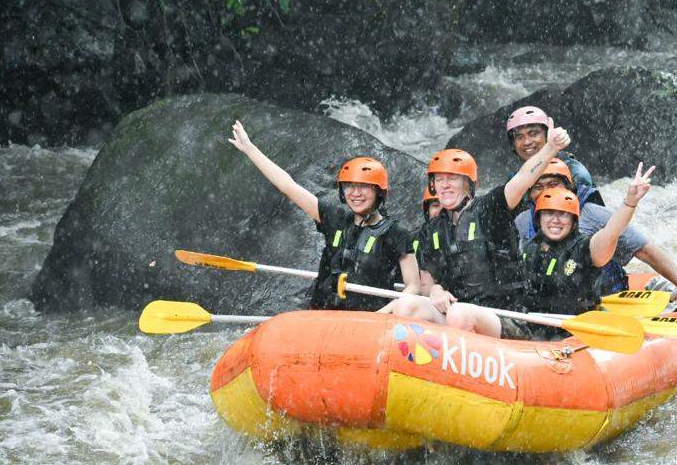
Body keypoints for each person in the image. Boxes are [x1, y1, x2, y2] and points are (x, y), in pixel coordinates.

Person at [228, 120, 420, 312]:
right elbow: (288, 185)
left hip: (370, 320)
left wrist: (384, 313)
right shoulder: (335, 219)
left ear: (379, 192)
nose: (355, 193)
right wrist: (250, 149)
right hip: (325, 315)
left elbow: (413, 286)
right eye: (349, 186)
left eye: (364, 187)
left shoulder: (396, 232)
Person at [407, 127, 573, 337]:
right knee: (408, 306)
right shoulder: (432, 229)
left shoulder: (490, 209)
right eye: (439, 180)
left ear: (468, 184)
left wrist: (550, 148)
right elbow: (426, 280)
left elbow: (523, 179)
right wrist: (434, 290)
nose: (445, 186)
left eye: (452, 179)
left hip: (507, 317)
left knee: (459, 314)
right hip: (457, 313)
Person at [514, 158, 677, 315]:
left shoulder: (592, 214)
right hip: (550, 302)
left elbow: (644, 250)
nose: (547, 191)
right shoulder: (523, 221)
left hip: (600, 295)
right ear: (529, 193)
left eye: (553, 184)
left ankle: (675, 286)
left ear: (569, 188)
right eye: (538, 187)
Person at [521, 163, 655, 340]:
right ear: (539, 218)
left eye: (563, 214)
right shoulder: (530, 247)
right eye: (549, 213)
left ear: (574, 220)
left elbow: (611, 232)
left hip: (573, 330)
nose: (555, 220)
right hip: (535, 325)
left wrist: (629, 203)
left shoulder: (584, 247)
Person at [506, 106, 594, 188]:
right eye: (519, 137)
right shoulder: (514, 178)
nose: (527, 142)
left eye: (533, 134)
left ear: (547, 135)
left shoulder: (575, 172)